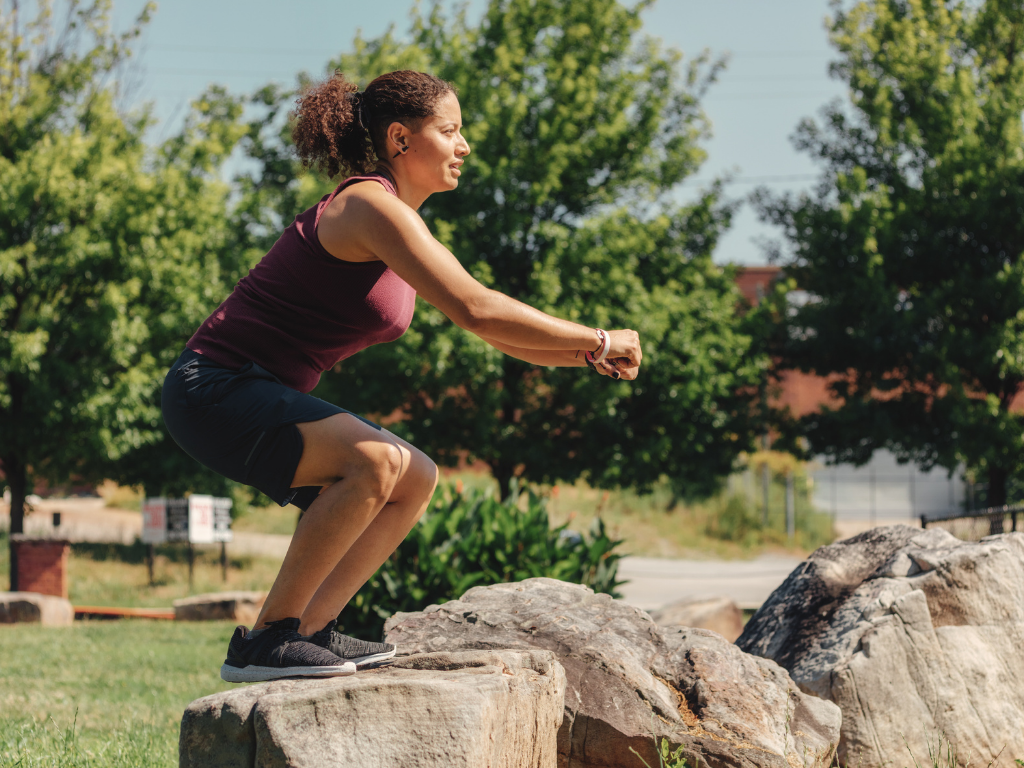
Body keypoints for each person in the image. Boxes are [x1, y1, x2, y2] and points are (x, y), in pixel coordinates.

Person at [162, 69, 643, 683]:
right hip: (213, 388)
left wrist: (587, 355)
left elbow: (492, 330)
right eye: (451, 130)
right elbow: (477, 306)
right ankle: (265, 641)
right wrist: (600, 336)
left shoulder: (395, 219)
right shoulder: (367, 205)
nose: (464, 146)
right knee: (376, 463)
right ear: (400, 139)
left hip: (246, 390)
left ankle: (310, 629)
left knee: (414, 477)